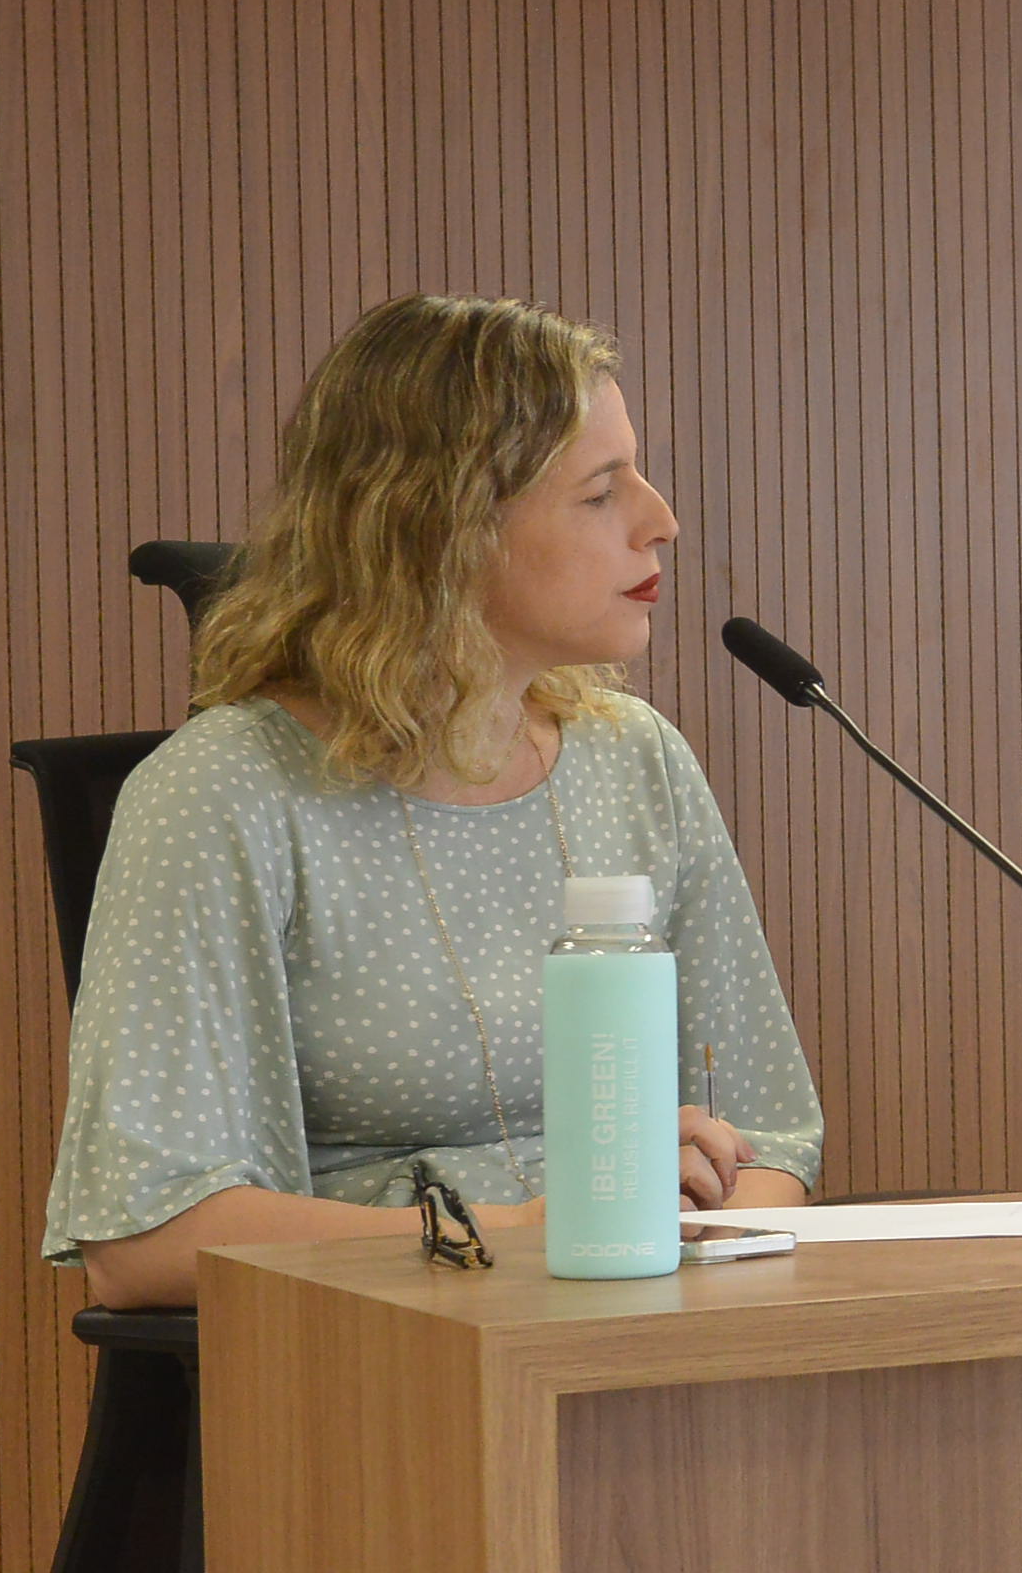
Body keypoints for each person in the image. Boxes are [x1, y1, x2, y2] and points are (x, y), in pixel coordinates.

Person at [43, 296, 822, 1309]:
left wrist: (678, 1233)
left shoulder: (636, 760)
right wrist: (534, 1232)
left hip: (642, 1334)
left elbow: (771, 1140)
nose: (660, 519)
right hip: (375, 1355)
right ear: (444, 529)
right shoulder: (221, 793)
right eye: (600, 492)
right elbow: (145, 1239)